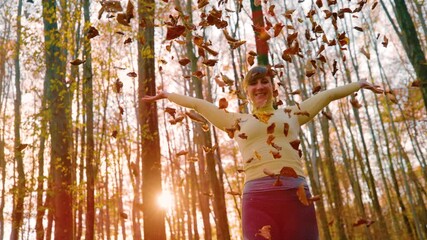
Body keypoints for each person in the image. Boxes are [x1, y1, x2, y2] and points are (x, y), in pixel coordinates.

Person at [142, 66, 383, 239]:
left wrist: (359, 85)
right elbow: (199, 105)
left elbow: (327, 95)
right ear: (247, 91)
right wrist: (167, 95)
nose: (259, 87)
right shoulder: (236, 121)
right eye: (253, 83)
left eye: (264, 82)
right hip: (258, 200)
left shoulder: (292, 114)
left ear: (272, 87)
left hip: (296, 195)